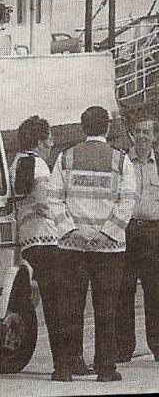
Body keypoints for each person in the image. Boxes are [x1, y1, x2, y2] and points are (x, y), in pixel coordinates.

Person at [49, 106, 137, 382]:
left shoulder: (66, 157)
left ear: (82, 127)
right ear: (108, 128)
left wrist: (72, 231)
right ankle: (106, 369)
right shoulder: (120, 160)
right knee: (106, 309)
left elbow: (54, 199)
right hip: (109, 248)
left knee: (70, 308)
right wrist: (107, 233)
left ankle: (65, 368)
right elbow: (128, 200)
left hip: (73, 247)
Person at [9, 116, 73, 381]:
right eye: (49, 138)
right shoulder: (38, 165)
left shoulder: (18, 162)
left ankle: (65, 364)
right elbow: (46, 203)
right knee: (57, 304)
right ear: (39, 141)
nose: (51, 143)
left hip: (28, 239)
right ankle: (64, 366)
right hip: (45, 238)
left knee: (51, 301)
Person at [115, 114, 159, 362]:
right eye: (137, 131)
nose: (141, 136)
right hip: (127, 232)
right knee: (124, 291)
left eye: (146, 132)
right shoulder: (122, 162)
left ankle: (158, 346)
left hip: (154, 235)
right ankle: (123, 348)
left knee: (156, 292)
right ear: (131, 134)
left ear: (154, 136)